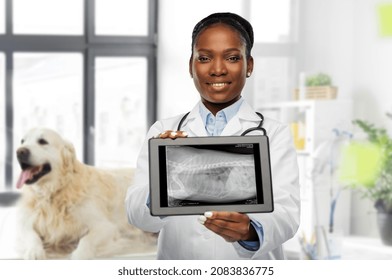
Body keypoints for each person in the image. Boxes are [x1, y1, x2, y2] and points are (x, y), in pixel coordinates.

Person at [126, 12, 300, 260]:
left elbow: (287, 214)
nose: (218, 70)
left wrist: (249, 232)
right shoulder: (162, 132)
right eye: (205, 58)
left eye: (231, 58)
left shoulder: (275, 134)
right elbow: (137, 216)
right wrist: (165, 179)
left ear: (248, 65)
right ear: (191, 66)